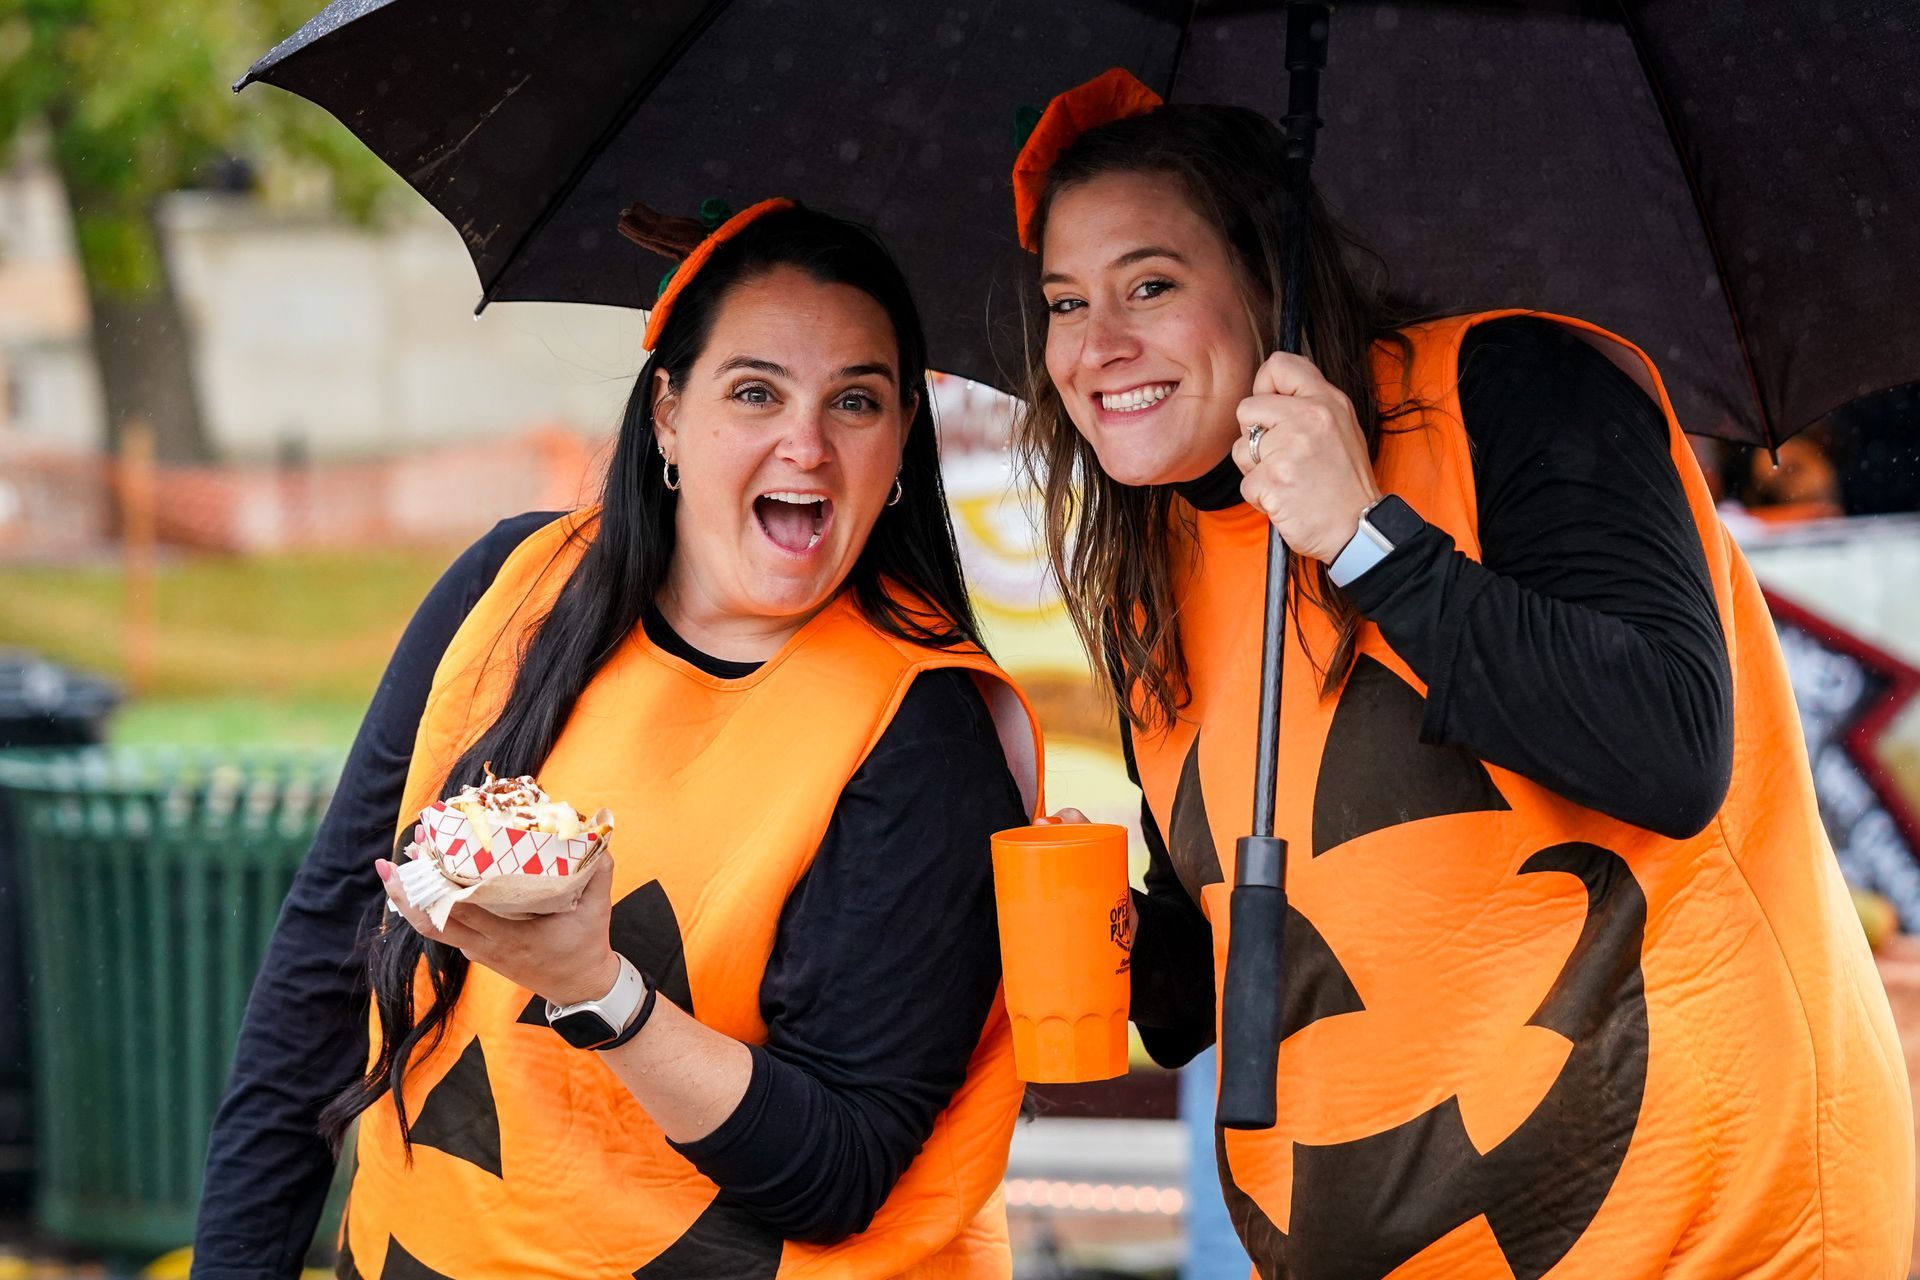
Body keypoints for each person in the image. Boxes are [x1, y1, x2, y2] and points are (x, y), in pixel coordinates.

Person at [1013, 68, 1913, 1277]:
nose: (1097, 345)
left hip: (1720, 1241)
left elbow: (1668, 746)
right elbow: (1214, 977)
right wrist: (1104, 934)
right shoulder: (1151, 573)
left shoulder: (1515, 390)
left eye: (1151, 284)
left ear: (1270, 283)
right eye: (1066, 302)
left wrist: (1364, 538)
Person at [192, 200, 1043, 1279]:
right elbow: (326, 958)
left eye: (856, 401)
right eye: (755, 391)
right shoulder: (509, 593)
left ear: (901, 440)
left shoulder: (925, 735)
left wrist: (600, 988)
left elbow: (838, 1172)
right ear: (667, 417)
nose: (808, 443)